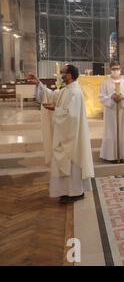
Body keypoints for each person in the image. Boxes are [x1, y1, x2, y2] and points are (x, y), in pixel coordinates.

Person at [29, 65, 94, 204]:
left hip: (72, 137)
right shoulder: (66, 90)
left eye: (62, 73)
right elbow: (51, 95)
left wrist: (56, 109)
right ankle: (65, 191)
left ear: (69, 75)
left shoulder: (75, 92)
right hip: (64, 134)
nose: (60, 75)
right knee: (63, 164)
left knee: (72, 165)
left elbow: (73, 116)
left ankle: (76, 192)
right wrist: (39, 84)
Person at [99, 61, 124, 164]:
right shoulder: (105, 83)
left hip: (122, 111)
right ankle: (110, 156)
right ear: (110, 69)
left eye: (117, 69)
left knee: (122, 132)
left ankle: (123, 155)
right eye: (114, 69)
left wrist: (123, 97)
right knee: (110, 132)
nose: (116, 71)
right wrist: (111, 97)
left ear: (120, 69)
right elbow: (101, 97)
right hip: (110, 112)